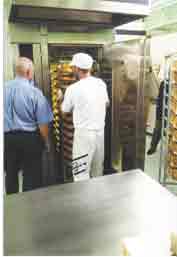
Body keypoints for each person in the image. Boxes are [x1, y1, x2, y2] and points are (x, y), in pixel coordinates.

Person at [4, 57, 53, 194]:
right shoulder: (34, 92)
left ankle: (11, 205)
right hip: (30, 139)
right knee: (32, 176)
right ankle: (30, 209)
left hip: (7, 139)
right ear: (28, 72)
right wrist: (46, 142)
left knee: (11, 173)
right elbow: (43, 123)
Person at [58, 53, 109, 181]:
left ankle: (83, 200)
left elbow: (64, 112)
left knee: (80, 173)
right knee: (97, 171)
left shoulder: (73, 89)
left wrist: (60, 99)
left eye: (73, 67)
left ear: (76, 69)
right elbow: (107, 104)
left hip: (83, 136)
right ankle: (97, 199)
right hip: (100, 134)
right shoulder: (101, 84)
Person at [147, 80, 164, 155]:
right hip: (161, 111)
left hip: (173, 111)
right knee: (157, 130)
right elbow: (160, 99)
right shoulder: (164, 83)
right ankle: (153, 147)